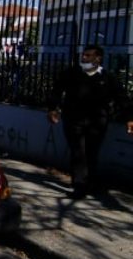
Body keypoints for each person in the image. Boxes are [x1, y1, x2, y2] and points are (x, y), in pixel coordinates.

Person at [47, 45, 133, 199]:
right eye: (83, 55)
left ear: (98, 58)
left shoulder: (107, 77)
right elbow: (57, 90)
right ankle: (79, 186)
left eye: (88, 55)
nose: (84, 58)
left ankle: (91, 183)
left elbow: (121, 98)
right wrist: (53, 108)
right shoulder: (72, 73)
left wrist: (129, 118)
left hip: (97, 122)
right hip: (74, 119)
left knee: (92, 152)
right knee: (78, 152)